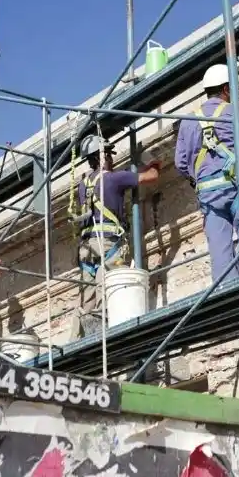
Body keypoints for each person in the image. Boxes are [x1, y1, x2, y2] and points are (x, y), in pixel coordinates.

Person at [174, 64, 239, 283]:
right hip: (235, 185)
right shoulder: (236, 112)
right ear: (225, 89)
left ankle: (229, 292)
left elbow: (181, 163)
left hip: (208, 193)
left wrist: (199, 176)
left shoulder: (188, 121)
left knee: (220, 250)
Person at [74, 134, 161, 337]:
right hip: (107, 244)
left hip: (86, 248)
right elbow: (152, 176)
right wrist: (151, 160)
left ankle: (87, 337)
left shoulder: (82, 185)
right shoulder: (114, 178)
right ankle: (108, 338)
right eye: (109, 156)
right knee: (109, 292)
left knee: (88, 297)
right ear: (103, 157)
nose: (112, 160)